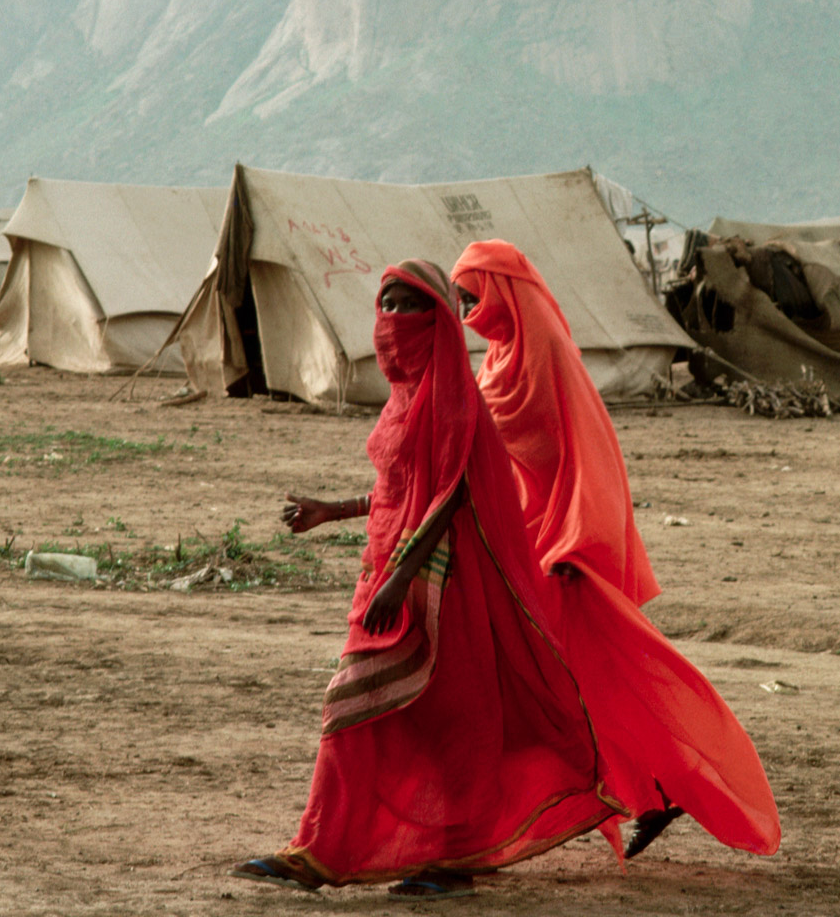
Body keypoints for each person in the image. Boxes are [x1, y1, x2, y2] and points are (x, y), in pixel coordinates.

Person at [231, 261, 622, 898]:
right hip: (384, 572)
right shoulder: (405, 399)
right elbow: (399, 489)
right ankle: (324, 847)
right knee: (385, 712)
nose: (389, 322)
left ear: (436, 319)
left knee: (428, 716)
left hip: (444, 588)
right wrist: (335, 511)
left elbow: (452, 494)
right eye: (383, 304)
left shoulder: (454, 401)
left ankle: (433, 855)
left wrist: (401, 579)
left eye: (405, 306)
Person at [450, 240, 781, 862]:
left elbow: (587, 447)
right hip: (527, 530)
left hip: (565, 544)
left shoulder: (544, 348)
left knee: (588, 671)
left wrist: (580, 540)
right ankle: (646, 794)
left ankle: (674, 779)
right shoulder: (499, 356)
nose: (467, 307)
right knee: (560, 679)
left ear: (501, 290)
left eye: (472, 295)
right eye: (462, 298)